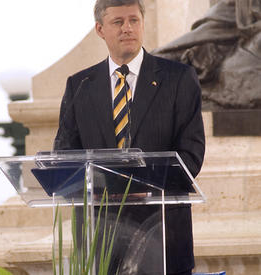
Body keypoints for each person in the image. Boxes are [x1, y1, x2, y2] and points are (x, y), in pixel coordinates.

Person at [54, 0, 205, 274]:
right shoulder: (79, 86)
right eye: (118, 22)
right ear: (100, 29)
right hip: (99, 241)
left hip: (164, 239)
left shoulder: (179, 79)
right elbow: (65, 157)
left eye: (134, 20)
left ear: (142, 24)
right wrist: (103, 186)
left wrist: (140, 185)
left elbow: (191, 156)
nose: (127, 28)